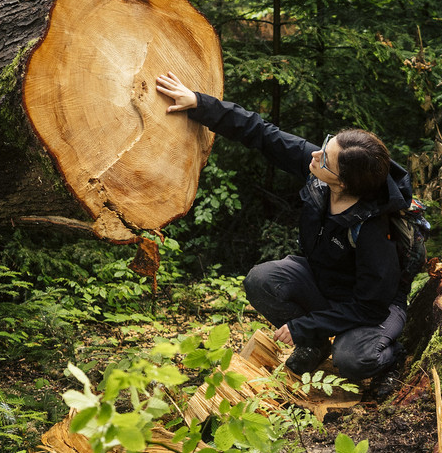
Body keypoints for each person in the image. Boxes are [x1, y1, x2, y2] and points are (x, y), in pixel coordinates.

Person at [155, 71, 409, 381]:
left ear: (343, 182)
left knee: (353, 359)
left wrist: (304, 324)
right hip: (325, 284)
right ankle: (313, 347)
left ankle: (392, 358)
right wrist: (199, 103)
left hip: (373, 310)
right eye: (326, 145)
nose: (315, 156)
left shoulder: (372, 230)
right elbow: (263, 133)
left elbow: (369, 307)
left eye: (325, 159)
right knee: (262, 280)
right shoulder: (321, 171)